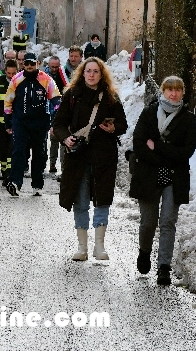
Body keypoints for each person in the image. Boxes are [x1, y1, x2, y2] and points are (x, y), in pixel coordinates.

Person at [52, 57, 127, 261]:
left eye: (95, 71)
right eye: (88, 71)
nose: (92, 74)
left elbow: (123, 125)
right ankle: (82, 247)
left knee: (102, 199)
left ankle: (99, 246)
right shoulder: (72, 95)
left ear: (101, 74)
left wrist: (113, 128)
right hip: (78, 156)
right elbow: (58, 124)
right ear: (82, 73)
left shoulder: (110, 97)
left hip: (104, 156)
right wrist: (66, 138)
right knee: (81, 200)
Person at [130, 76, 196, 286]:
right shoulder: (149, 113)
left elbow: (187, 151)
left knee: (168, 221)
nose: (174, 94)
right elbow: (139, 144)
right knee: (148, 222)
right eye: (170, 90)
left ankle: (164, 267)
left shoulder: (187, 118)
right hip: (148, 174)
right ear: (163, 91)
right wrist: (165, 156)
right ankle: (144, 251)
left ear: (182, 93)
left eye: (178, 90)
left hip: (174, 176)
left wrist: (157, 147)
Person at [4, 53, 61, 197]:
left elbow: (56, 99)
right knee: (18, 151)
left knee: (39, 153)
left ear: (38, 64)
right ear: (23, 64)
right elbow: (8, 101)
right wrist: (8, 122)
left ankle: (37, 184)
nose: (29, 66)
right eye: (27, 63)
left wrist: (56, 119)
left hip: (40, 123)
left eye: (32, 63)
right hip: (20, 122)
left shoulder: (46, 79)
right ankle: (15, 182)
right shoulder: (16, 79)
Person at [46, 56, 70, 175]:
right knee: (52, 140)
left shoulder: (63, 75)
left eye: (56, 67)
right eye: (52, 67)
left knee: (61, 139)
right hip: (48, 109)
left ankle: (62, 166)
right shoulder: (44, 75)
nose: (54, 69)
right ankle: (52, 163)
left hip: (60, 109)